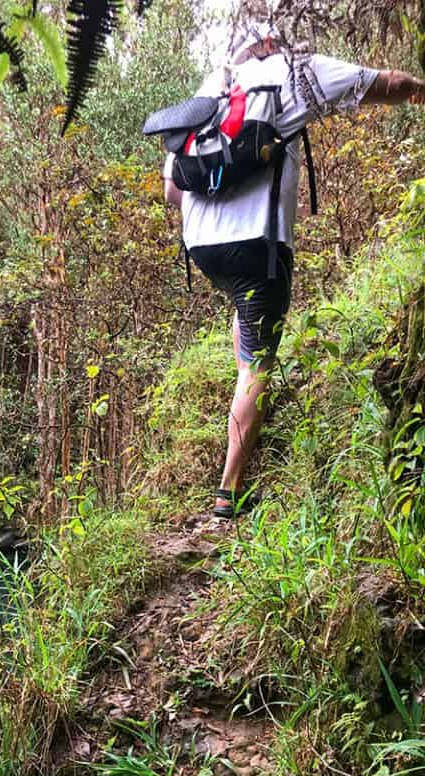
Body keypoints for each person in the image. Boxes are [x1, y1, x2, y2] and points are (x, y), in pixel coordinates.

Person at [163, 22, 425, 519]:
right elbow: (379, 84)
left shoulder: (210, 87)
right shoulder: (293, 72)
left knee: (246, 316)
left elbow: (173, 189)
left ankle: (240, 427)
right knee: (258, 366)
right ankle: (228, 490)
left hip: (201, 248)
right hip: (256, 244)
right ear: (274, 42)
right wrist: (419, 91)